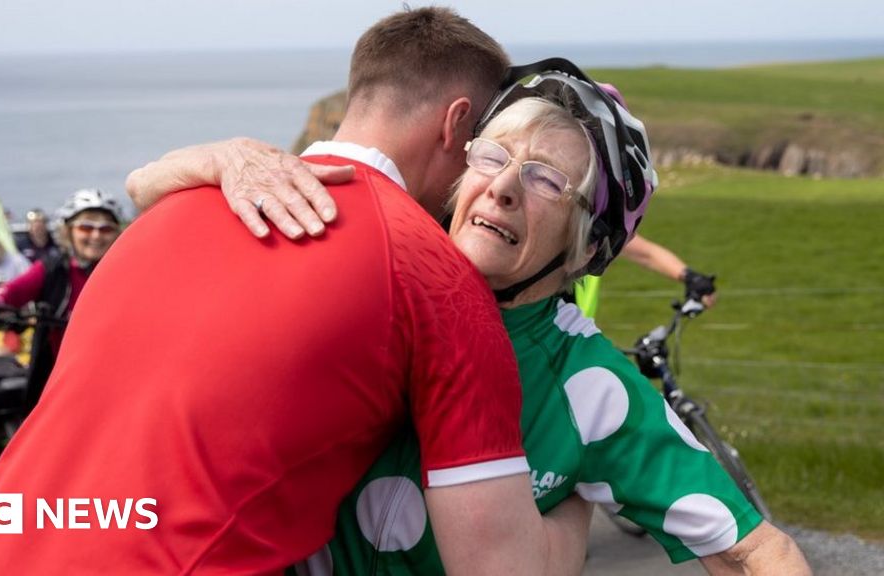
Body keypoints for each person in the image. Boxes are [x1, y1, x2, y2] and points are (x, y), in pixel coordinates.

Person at [0, 9, 569, 575]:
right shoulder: (435, 278)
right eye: (485, 148)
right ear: (456, 123)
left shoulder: (166, 210)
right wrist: (579, 498)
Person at [127, 61, 812, 575]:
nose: (506, 187)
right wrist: (209, 159)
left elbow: (757, 550)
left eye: (549, 180)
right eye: (494, 155)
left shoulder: (588, 384)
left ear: (587, 249)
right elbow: (150, 198)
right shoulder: (363, 256)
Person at [0, 188, 122, 405]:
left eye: (106, 228)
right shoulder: (53, 269)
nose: (96, 235)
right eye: (86, 227)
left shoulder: (127, 271)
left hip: (116, 374)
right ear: (68, 231)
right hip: (61, 378)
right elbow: (10, 291)